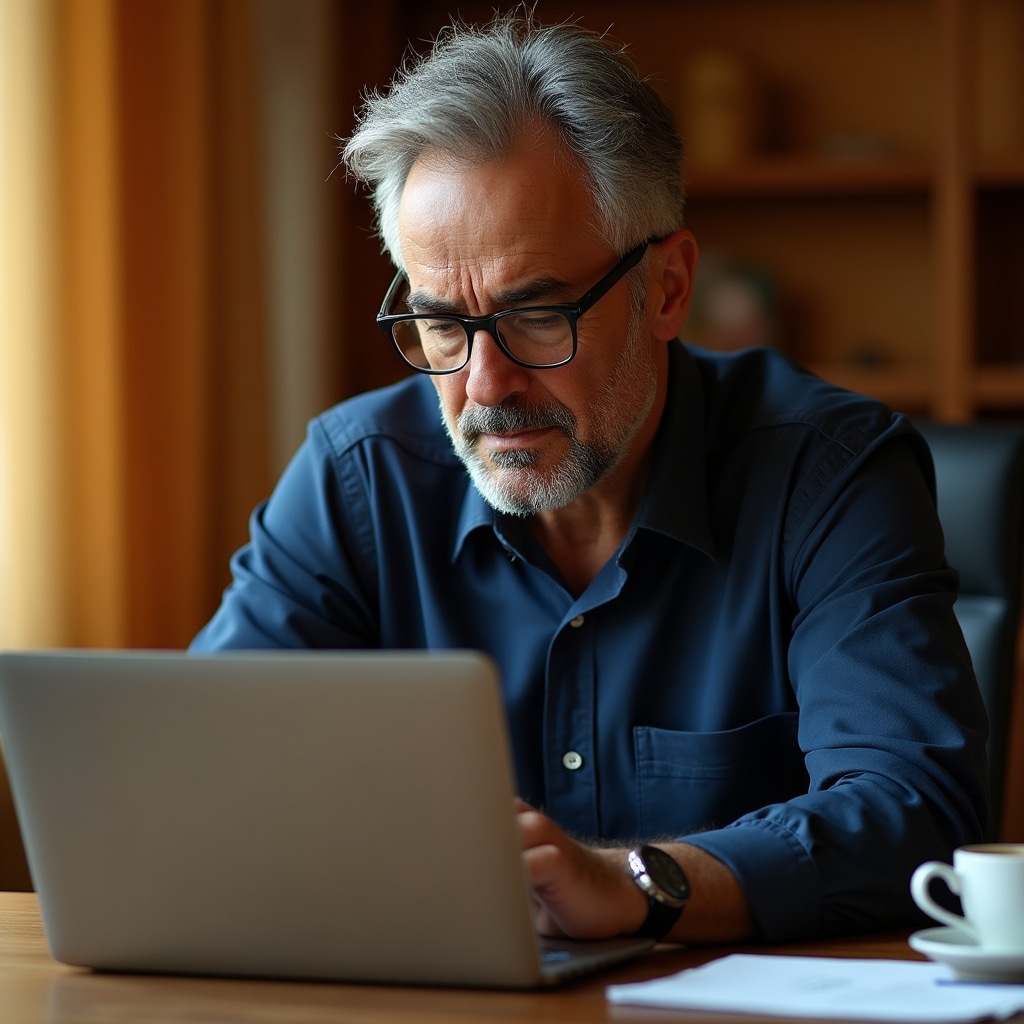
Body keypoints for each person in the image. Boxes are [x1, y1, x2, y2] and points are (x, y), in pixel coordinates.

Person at [191, 12, 988, 945]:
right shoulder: (357, 478)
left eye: (538, 316)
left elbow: (914, 808)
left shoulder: (829, 475)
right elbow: (202, 776)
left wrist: (640, 884)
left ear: (668, 289)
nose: (484, 386)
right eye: (442, 324)